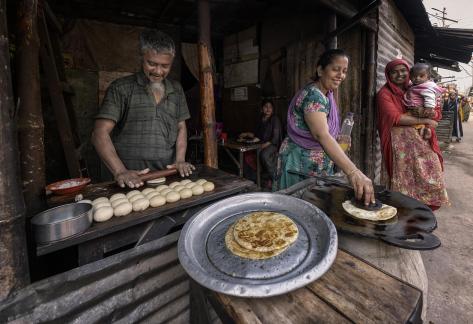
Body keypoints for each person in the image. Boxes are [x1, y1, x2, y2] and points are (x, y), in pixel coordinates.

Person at [91, 30, 195, 188]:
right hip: (129, 178)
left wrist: (180, 159)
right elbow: (99, 133)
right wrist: (120, 171)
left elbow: (181, 126)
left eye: (165, 66)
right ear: (142, 57)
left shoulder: (176, 89)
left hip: (165, 176)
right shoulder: (121, 88)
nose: (158, 71)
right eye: (151, 63)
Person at [273, 49, 375, 206]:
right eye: (335, 69)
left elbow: (325, 131)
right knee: (295, 208)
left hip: (312, 163)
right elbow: (322, 135)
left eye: (344, 71)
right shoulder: (314, 96)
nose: (341, 75)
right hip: (299, 163)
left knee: (311, 208)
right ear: (320, 70)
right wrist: (353, 172)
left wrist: (337, 137)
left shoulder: (326, 94)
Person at [377, 59, 448, 210]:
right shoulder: (384, 94)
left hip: (421, 141)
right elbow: (395, 118)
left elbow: (435, 109)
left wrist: (429, 123)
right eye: (394, 72)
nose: (400, 74)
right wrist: (427, 119)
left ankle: (421, 212)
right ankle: (403, 212)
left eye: (403, 70)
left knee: (427, 175)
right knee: (403, 181)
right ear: (388, 75)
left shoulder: (414, 88)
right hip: (399, 147)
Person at [240, 99, 282, 183]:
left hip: (273, 145)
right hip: (261, 144)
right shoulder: (260, 119)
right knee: (246, 154)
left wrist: (265, 144)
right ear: (262, 109)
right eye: (266, 107)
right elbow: (257, 134)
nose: (268, 109)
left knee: (264, 154)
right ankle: (253, 178)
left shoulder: (274, 119)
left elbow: (276, 138)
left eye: (270, 107)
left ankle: (275, 178)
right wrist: (246, 134)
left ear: (272, 109)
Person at [402, 62, 444, 139]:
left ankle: (425, 128)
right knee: (420, 121)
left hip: (419, 108)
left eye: (421, 76)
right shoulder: (416, 85)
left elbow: (430, 97)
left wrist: (429, 107)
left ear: (427, 77)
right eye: (414, 76)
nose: (417, 78)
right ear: (410, 77)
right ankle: (426, 129)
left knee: (404, 117)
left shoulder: (426, 87)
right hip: (419, 108)